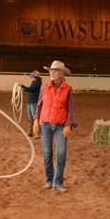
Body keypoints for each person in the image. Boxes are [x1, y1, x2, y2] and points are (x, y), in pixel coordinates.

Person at [33, 60, 75, 193]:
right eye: (50, 71)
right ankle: (49, 181)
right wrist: (35, 120)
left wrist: (68, 124)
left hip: (60, 125)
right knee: (47, 154)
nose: (51, 73)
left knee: (61, 154)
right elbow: (39, 105)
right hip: (45, 124)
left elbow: (70, 108)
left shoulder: (68, 89)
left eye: (54, 71)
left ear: (61, 74)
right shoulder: (45, 87)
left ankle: (58, 182)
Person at [17, 70, 42, 138]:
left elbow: (30, 89)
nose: (31, 78)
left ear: (35, 77)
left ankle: (36, 133)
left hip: (33, 101)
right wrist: (23, 89)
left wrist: (22, 86)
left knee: (34, 117)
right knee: (31, 117)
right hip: (31, 101)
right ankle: (31, 132)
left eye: (32, 76)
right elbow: (30, 90)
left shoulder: (36, 84)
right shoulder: (35, 83)